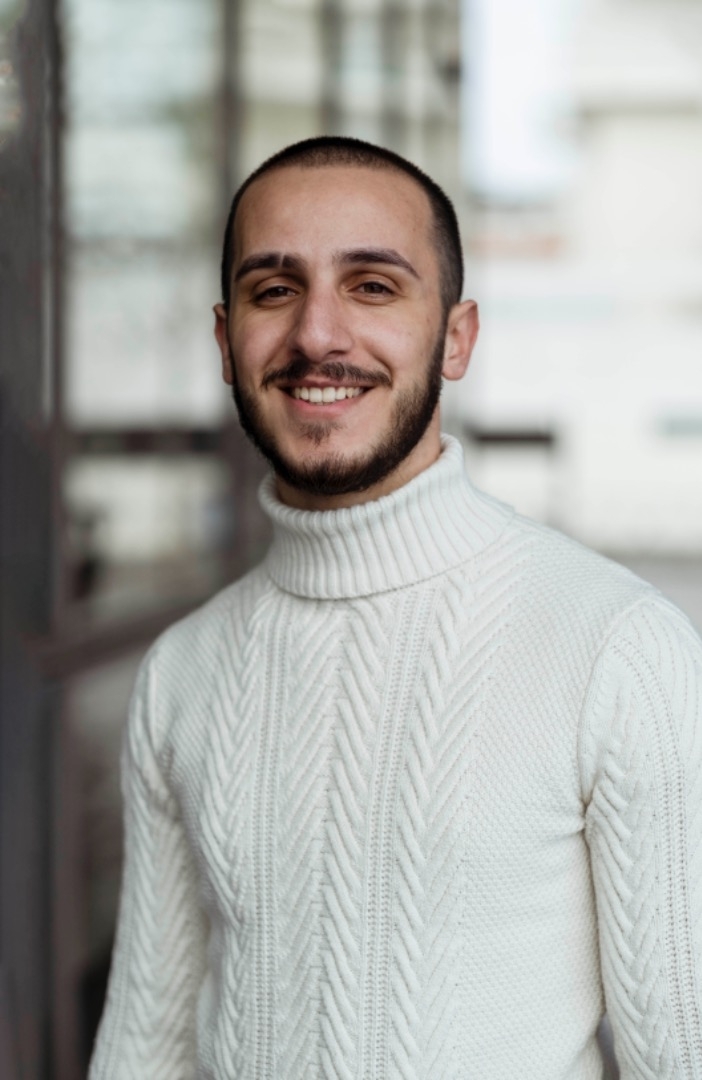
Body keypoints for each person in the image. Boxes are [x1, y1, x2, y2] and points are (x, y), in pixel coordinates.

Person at [89, 136, 702, 1079]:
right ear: (224, 341)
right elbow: (145, 1045)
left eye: (372, 286)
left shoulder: (617, 647)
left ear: (456, 338)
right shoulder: (181, 671)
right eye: (274, 290)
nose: (318, 335)